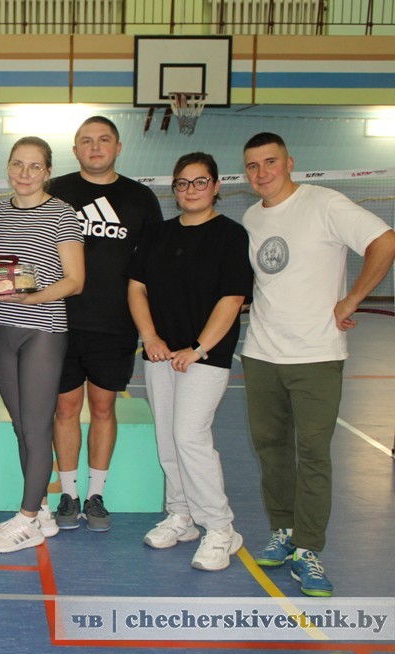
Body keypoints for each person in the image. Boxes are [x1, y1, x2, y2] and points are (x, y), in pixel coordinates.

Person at [241, 132, 395, 596]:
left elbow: (385, 241)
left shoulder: (325, 203)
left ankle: (308, 549)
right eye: (252, 166)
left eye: (270, 162)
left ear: (290, 162)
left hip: (317, 355)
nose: (262, 173)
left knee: (312, 454)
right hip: (261, 353)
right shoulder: (251, 216)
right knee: (270, 450)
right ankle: (284, 531)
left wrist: (353, 298)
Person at [127, 152, 252, 571]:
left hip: (205, 356)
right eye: (183, 183)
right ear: (174, 189)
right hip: (161, 354)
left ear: (215, 186)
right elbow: (137, 288)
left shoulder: (231, 235)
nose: (191, 190)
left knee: (189, 436)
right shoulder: (159, 234)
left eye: (200, 182)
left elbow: (232, 298)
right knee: (167, 437)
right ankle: (180, 515)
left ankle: (220, 527)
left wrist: (197, 348)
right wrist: (151, 337)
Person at [46, 116, 163, 531]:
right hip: (59, 322)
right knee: (64, 408)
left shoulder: (140, 198)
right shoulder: (55, 191)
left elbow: (153, 266)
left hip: (114, 325)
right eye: (86, 141)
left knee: (102, 407)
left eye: (103, 140)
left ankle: (95, 496)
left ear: (118, 147)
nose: (95, 147)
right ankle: (68, 494)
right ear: (75, 149)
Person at [0, 137, 84, 554]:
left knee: (38, 427)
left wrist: (33, 298)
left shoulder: (62, 214)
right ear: (8, 167)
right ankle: (40, 512)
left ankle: (26, 521)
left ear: (48, 172)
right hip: (1, 330)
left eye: (34, 166)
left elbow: (75, 280)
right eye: (17, 164)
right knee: (21, 426)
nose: (24, 174)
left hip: (42, 329)